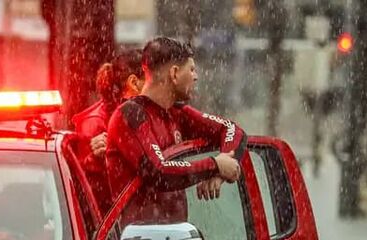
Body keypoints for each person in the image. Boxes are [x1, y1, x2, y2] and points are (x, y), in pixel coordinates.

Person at [105, 37, 246, 218]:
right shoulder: (131, 114)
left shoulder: (176, 112)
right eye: (192, 70)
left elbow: (232, 129)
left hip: (176, 238)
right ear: (174, 73)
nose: (196, 77)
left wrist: (221, 170)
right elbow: (157, 172)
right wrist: (214, 165)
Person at [71, 49, 144, 210]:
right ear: (134, 83)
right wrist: (93, 159)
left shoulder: (139, 114)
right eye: (152, 79)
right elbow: (82, 188)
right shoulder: (95, 123)